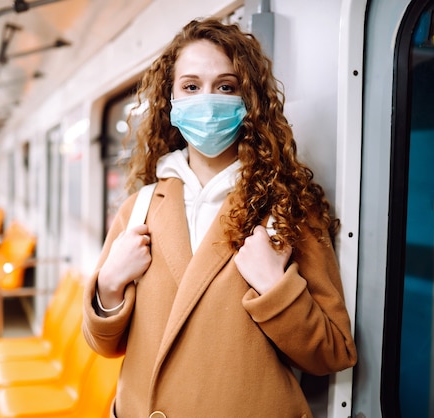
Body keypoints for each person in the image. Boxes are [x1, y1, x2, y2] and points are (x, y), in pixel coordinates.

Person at [82, 17, 357, 418]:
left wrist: (275, 288)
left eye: (225, 87)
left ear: (248, 102)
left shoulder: (288, 208)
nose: (207, 100)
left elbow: (334, 352)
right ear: (171, 100)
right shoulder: (139, 207)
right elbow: (103, 345)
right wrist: (108, 286)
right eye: (191, 86)